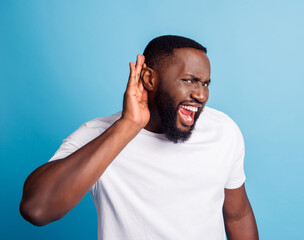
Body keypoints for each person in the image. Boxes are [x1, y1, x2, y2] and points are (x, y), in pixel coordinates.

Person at [20, 35, 259, 240]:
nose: (201, 95)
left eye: (206, 84)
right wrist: (128, 126)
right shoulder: (99, 136)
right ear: (148, 79)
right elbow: (37, 209)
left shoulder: (223, 130)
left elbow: (238, 215)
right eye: (189, 80)